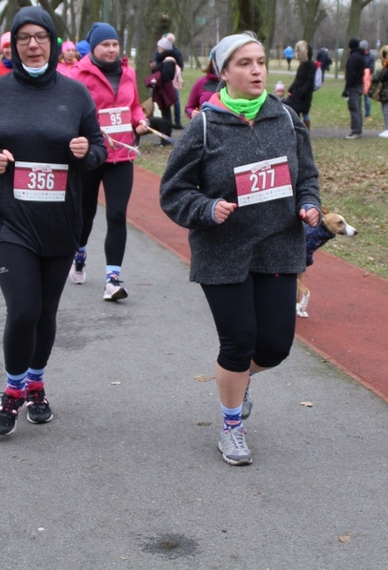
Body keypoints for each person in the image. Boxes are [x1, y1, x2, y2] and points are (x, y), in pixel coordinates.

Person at [159, 31, 321, 466]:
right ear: (224, 72)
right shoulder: (205, 125)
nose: (256, 71)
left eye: (260, 62)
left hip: (277, 246)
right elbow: (173, 192)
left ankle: (237, 380)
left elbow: (307, 176)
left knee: (275, 346)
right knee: (238, 342)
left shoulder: (285, 118)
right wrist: (207, 208)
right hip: (223, 251)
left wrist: (309, 203)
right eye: (244, 63)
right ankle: (231, 426)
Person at [0, 6, 107, 436]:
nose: (33, 45)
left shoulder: (76, 94)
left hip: (60, 220)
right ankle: (12, 390)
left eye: (40, 37)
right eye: (23, 38)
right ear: (13, 44)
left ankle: (36, 384)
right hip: (9, 221)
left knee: (45, 312)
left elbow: (99, 148)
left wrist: (86, 152)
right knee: (24, 309)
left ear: (53, 43)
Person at [67, 22, 149, 300]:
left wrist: (140, 121)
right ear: (93, 47)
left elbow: (133, 106)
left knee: (116, 214)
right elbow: (71, 113)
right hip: (91, 155)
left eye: (115, 44)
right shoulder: (77, 74)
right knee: (85, 214)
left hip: (122, 155)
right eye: (105, 44)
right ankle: (79, 254)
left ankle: (112, 280)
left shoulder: (128, 72)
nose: (112, 49)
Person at [284, 40, 316, 129]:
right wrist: (291, 89)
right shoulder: (302, 65)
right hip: (297, 94)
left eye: (299, 51)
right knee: (297, 113)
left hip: (304, 96)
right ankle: (298, 130)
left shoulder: (311, 65)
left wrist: (303, 92)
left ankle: (305, 131)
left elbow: (309, 81)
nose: (297, 53)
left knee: (304, 113)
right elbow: (297, 79)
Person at [343, 38, 366, 140]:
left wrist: (347, 87)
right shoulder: (361, 56)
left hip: (353, 86)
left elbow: (351, 73)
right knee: (358, 108)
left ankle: (355, 131)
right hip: (359, 84)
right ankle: (358, 130)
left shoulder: (353, 57)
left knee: (354, 108)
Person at [360, 40, 375, 121]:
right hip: (359, 80)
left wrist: (365, 71)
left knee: (367, 99)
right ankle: (359, 114)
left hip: (367, 80)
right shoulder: (359, 55)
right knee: (358, 99)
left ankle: (368, 114)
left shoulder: (371, 57)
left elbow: (372, 69)